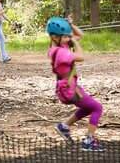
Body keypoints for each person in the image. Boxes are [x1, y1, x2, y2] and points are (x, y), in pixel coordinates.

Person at [47, 16, 103, 153]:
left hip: (69, 88)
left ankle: (64, 126)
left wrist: (71, 26)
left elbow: (80, 35)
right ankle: (89, 141)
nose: (69, 38)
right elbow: (81, 57)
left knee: (88, 107)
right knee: (97, 108)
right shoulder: (61, 53)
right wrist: (75, 42)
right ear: (55, 37)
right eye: (65, 36)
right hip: (68, 91)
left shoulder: (59, 46)